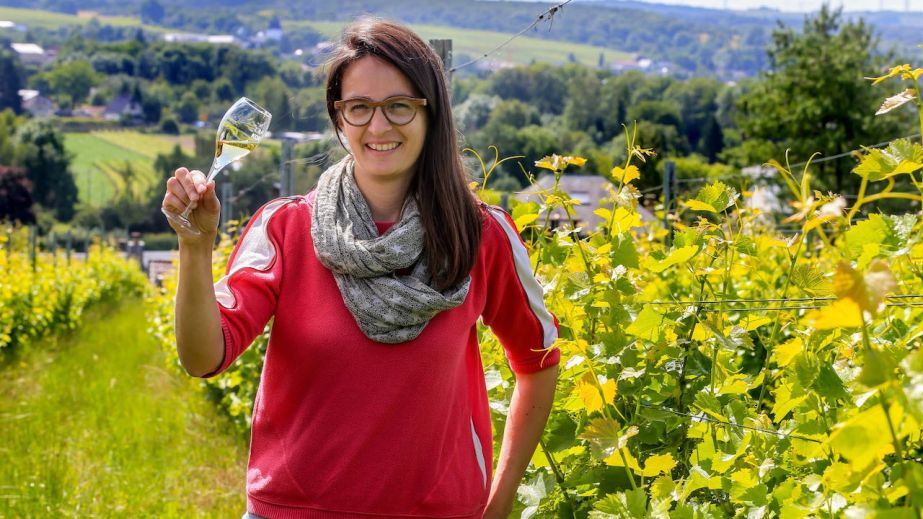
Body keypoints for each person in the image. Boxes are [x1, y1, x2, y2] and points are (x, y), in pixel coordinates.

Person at [161, 17, 560, 519]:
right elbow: (203, 357)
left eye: (399, 106)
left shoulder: (481, 236)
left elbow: (538, 363)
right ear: (338, 118)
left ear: (431, 113)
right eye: (359, 108)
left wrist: (498, 504)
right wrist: (195, 249)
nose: (378, 126)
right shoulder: (285, 229)